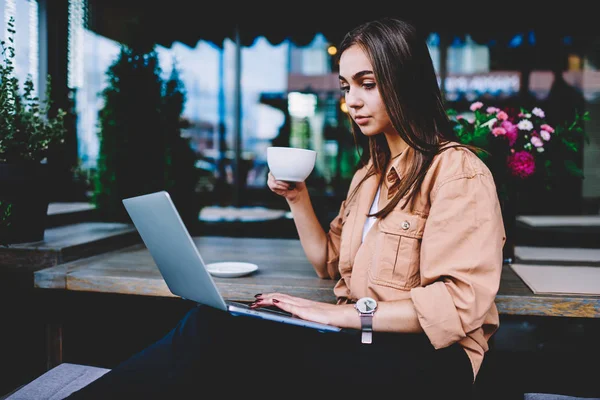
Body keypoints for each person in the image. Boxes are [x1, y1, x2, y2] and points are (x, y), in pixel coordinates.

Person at [66, 17, 504, 400]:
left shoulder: (457, 172)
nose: (351, 100)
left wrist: (335, 314)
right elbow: (328, 263)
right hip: (362, 340)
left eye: (367, 84)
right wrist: (298, 198)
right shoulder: (369, 174)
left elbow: (458, 302)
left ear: (405, 81)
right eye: (347, 86)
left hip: (430, 362)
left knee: (212, 337)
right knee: (215, 326)